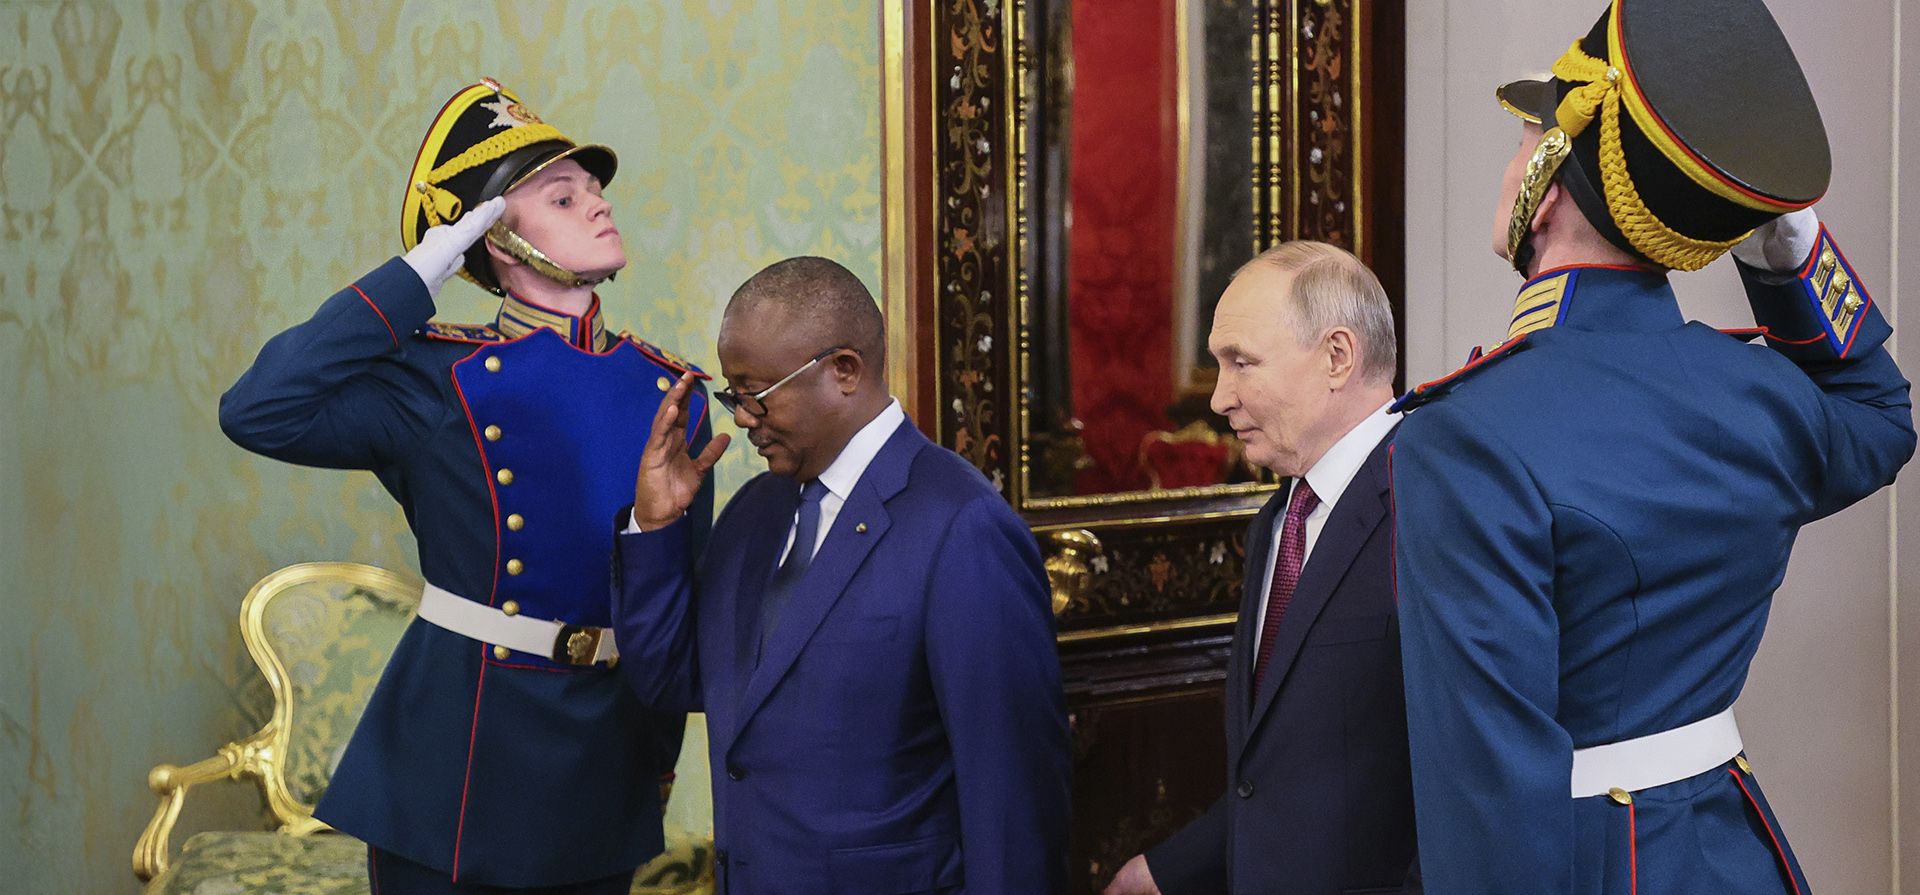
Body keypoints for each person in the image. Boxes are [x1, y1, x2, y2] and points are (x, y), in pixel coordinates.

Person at [1389, 1, 1915, 892]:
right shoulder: (1756, 393)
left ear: (1546, 182)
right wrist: (1787, 245)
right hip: (1733, 850)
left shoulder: (1464, 438)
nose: (1510, 161)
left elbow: (1486, 789)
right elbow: (1879, 412)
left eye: (1524, 139)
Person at [220, 79, 713, 893]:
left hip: (600, 767)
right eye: (562, 195)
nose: (597, 204)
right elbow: (258, 409)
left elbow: (671, 622)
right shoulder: (437, 378)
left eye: (595, 190)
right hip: (454, 765)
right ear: (498, 242)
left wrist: (652, 769)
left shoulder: (671, 396)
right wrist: (422, 271)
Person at [613, 256, 1071, 894]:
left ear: (844, 371)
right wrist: (655, 527)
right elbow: (672, 677)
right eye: (732, 395)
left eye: (756, 394)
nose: (741, 417)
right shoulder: (754, 513)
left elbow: (1012, 793)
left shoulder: (962, 525)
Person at [1104, 242, 1418, 895]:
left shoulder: (1435, 503)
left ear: (1337, 357)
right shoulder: (1280, 520)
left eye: (1241, 363)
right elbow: (1277, 775)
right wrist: (1167, 870)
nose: (1219, 398)